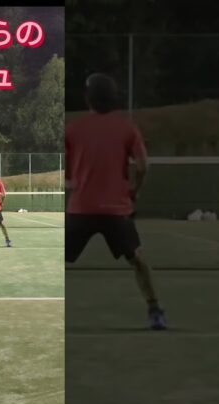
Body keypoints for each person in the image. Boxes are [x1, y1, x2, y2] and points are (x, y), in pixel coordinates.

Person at [65, 73, 166, 330]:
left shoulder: (73, 129)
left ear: (88, 98)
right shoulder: (127, 128)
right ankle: (155, 310)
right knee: (138, 259)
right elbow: (143, 167)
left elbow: (64, 171)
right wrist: (134, 191)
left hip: (81, 209)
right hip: (117, 210)